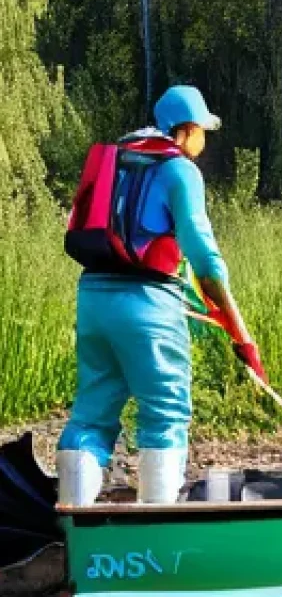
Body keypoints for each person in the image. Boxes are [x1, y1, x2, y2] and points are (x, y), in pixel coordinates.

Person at [57, 84, 263, 506]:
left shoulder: (117, 159)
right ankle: (157, 528)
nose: (204, 140)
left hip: (93, 300)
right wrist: (242, 335)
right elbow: (204, 260)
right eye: (203, 130)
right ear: (186, 130)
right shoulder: (179, 170)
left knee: (91, 416)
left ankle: (72, 524)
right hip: (148, 306)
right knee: (164, 414)